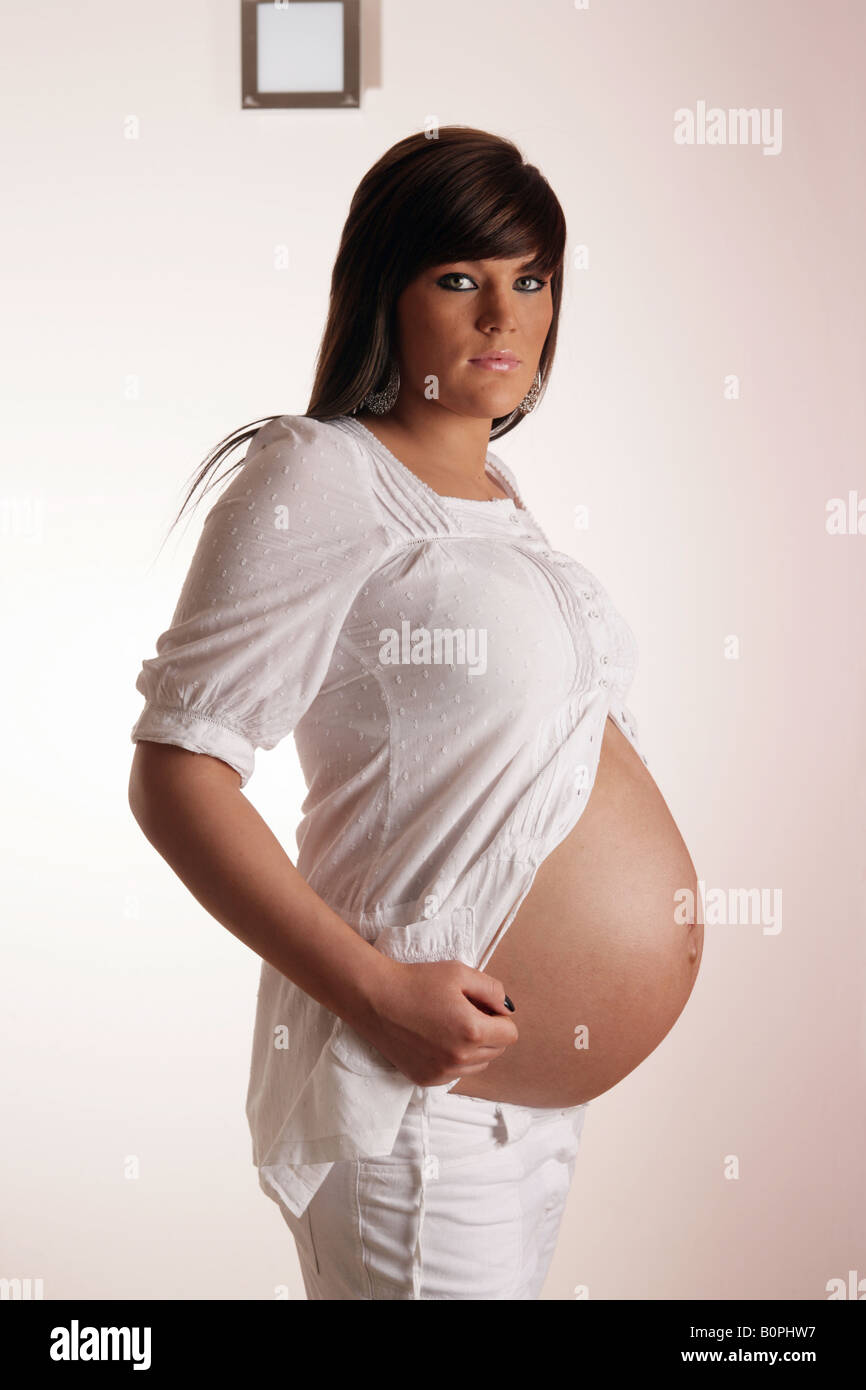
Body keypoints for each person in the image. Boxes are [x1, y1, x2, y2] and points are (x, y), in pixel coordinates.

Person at [128, 126, 702, 1300]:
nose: (502, 316)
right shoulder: (318, 471)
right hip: (410, 1097)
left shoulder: (500, 500)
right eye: (458, 279)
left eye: (529, 281)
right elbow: (178, 770)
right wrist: (380, 994)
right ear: (382, 294)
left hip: (516, 1109)